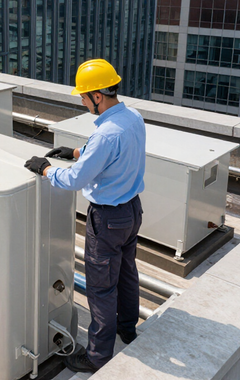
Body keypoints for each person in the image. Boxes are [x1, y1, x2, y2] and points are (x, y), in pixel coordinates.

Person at [24, 59, 145, 374]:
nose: (81, 100)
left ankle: (98, 356)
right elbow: (113, 152)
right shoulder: (133, 117)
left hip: (107, 219)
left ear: (98, 96)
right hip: (132, 211)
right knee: (126, 273)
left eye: (83, 95)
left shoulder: (105, 135)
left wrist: (46, 168)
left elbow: (75, 181)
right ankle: (127, 328)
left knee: (101, 287)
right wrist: (78, 152)